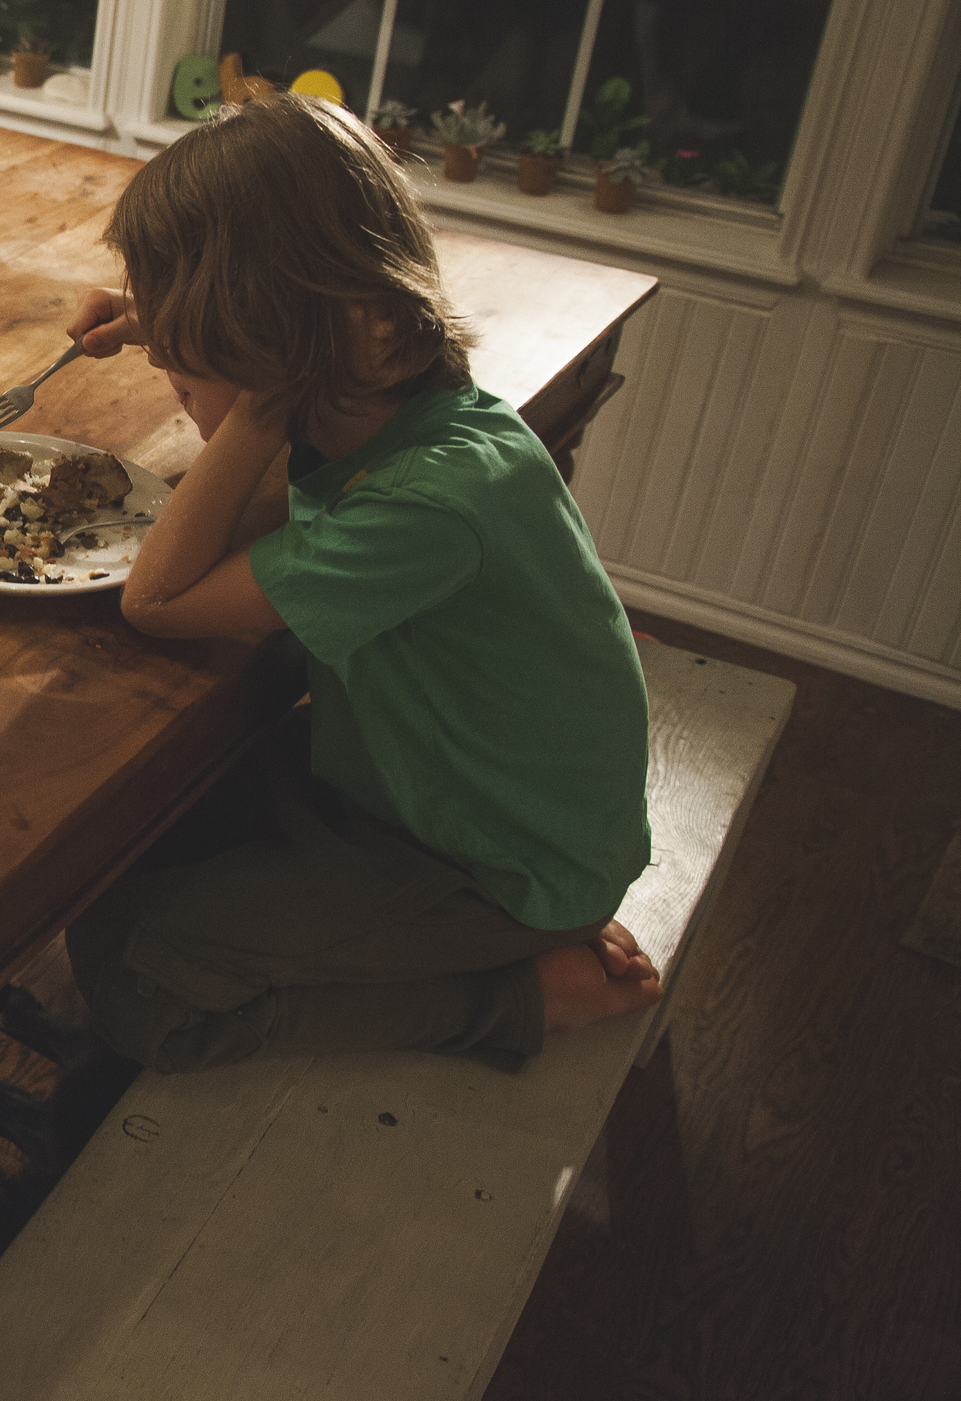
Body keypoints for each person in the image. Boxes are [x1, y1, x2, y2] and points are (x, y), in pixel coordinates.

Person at [58, 94, 663, 1075]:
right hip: (416, 790)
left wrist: (259, 400)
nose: (165, 360)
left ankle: (510, 999)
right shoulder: (406, 420)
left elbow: (155, 602)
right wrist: (178, 330)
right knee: (109, 870)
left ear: (286, 350)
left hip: (491, 865)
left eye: (185, 355)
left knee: (133, 984)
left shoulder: (428, 502)